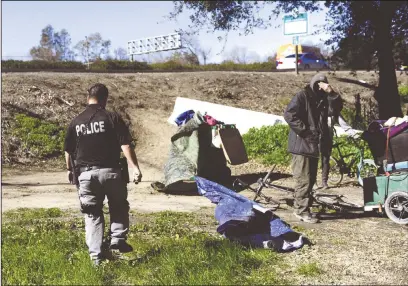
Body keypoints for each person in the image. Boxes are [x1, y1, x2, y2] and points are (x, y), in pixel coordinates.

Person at [64, 83, 142, 265]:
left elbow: (68, 151)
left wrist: (69, 170)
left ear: (87, 97)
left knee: (92, 215)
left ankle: (96, 259)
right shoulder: (112, 117)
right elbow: (126, 145)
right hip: (112, 172)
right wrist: (135, 167)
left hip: (86, 176)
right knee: (119, 205)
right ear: (105, 98)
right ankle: (117, 239)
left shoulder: (76, 121)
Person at [284, 73, 337, 223]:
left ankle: (304, 208)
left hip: (313, 145)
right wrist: (305, 132)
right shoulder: (302, 96)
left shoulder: (322, 100)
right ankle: (301, 211)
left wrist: (331, 93)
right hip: (302, 145)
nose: (320, 87)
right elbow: (289, 115)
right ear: (314, 84)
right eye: (318, 84)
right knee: (304, 180)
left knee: (311, 179)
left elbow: (337, 108)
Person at [320, 95, 357, 190]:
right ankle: (310, 181)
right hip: (317, 138)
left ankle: (324, 181)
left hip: (328, 139)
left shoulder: (335, 113)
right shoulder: (319, 110)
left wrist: (354, 135)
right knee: (313, 159)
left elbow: (344, 125)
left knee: (325, 160)